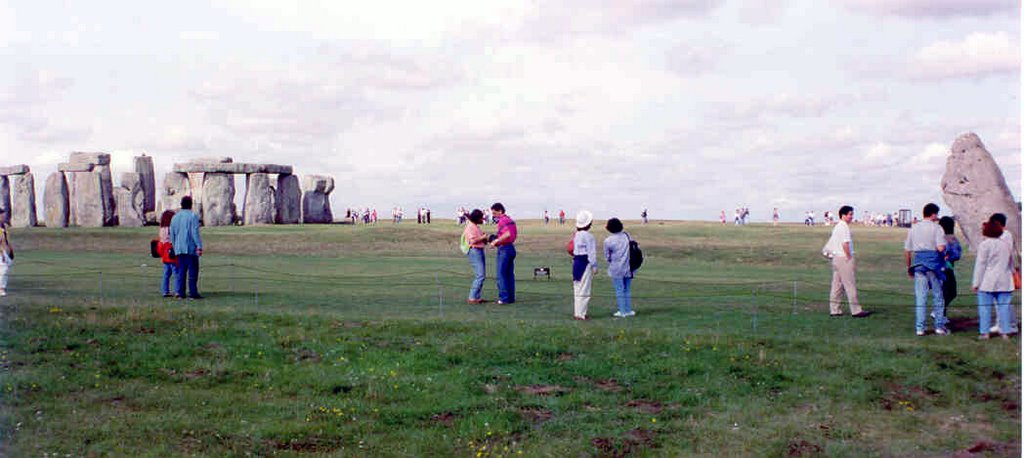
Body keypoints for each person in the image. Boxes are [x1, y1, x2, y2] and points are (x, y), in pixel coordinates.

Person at [905, 203, 948, 336]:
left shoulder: (914, 228)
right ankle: (939, 326)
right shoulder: (937, 228)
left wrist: (909, 267)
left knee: (921, 298)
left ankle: (920, 328)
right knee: (938, 297)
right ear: (934, 214)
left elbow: (907, 250)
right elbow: (941, 248)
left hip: (918, 265)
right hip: (933, 266)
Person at [823, 206, 871, 318]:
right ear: (843, 215)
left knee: (837, 285)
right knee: (850, 284)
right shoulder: (843, 227)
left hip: (836, 258)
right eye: (850, 214)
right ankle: (856, 310)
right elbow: (845, 243)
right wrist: (849, 257)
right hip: (844, 258)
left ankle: (834, 309)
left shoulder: (837, 226)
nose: (851, 217)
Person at [972, 220, 1016, 340]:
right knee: (1004, 307)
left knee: (985, 307)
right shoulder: (1005, 244)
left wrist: (976, 282)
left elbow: (980, 265)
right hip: (1005, 279)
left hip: (987, 280)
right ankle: (1005, 331)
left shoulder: (984, 245)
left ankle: (985, 332)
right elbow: (1011, 262)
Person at [170, 196, 203, 299]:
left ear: (181, 204)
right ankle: (193, 293)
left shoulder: (175, 217)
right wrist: (199, 246)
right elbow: (194, 233)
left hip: (179, 248)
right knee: (193, 272)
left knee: (181, 271)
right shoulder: (193, 216)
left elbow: (172, 234)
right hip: (190, 248)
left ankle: (181, 293)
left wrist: (175, 247)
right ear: (191, 205)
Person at [604, 217, 635, 317]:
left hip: (616, 268)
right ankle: (628, 310)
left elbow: (607, 257)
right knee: (627, 289)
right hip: (629, 267)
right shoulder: (627, 236)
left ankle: (622, 311)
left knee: (619, 289)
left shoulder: (608, 241)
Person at [488, 203, 517, 304]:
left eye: (494, 213)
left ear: (500, 211)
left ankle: (504, 299)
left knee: (501, 275)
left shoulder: (502, 221)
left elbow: (507, 234)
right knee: (509, 275)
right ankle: (511, 298)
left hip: (504, 249)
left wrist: (496, 241)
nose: (494, 215)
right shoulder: (510, 220)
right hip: (511, 248)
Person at [571, 210, 597, 320]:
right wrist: (594, 266)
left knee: (577, 288)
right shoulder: (589, 236)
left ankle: (578, 312)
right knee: (585, 290)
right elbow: (591, 253)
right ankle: (581, 314)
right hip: (585, 262)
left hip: (576, 262)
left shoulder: (576, 235)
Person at [463, 209, 489, 304]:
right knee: (480, 275)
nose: (483, 219)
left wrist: (485, 239)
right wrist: (483, 237)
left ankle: (477, 297)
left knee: (481, 275)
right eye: (481, 217)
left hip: (479, 250)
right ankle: (472, 297)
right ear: (477, 218)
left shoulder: (476, 227)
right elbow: (472, 241)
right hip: (474, 250)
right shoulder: (470, 227)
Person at [938, 216, 962, 317]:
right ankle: (939, 313)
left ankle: (941, 313)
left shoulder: (940, 237)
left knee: (946, 292)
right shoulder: (950, 239)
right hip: (946, 268)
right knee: (950, 291)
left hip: (942, 267)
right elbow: (957, 254)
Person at [157, 210, 179, 298]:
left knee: (166, 274)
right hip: (172, 254)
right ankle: (177, 291)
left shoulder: (161, 230)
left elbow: (161, 243)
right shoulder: (172, 229)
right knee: (176, 274)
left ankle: (165, 291)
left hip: (165, 255)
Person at [0, 212, 12, 296]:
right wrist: (2, 254)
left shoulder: (4, 226)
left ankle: (2, 287)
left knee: (6, 268)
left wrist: (10, 251)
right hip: (1, 251)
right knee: (4, 268)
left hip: (5, 250)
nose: (3, 216)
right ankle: (1, 288)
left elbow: (7, 240)